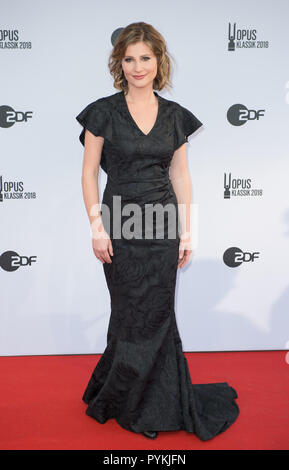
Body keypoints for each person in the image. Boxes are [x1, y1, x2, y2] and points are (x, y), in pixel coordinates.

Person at [76, 22, 239, 441]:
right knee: (130, 313)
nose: (137, 67)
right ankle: (122, 396)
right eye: (129, 59)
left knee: (159, 314)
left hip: (163, 226)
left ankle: (154, 401)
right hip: (119, 223)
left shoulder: (174, 116)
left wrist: (187, 231)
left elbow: (181, 175)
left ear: (158, 61)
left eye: (145, 58)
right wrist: (97, 226)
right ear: (119, 62)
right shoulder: (102, 112)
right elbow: (89, 173)